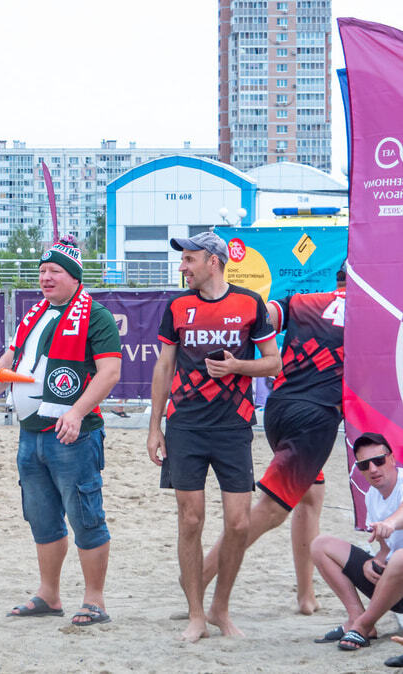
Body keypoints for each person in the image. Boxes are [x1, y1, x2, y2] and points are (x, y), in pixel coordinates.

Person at [0, 236, 122, 627]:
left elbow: (110, 374)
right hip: (31, 433)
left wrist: (76, 411)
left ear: (74, 276)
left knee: (85, 515)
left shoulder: (96, 316)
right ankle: (49, 594)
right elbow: (10, 360)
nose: (46, 278)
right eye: (42, 272)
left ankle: (94, 599)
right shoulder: (34, 313)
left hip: (75, 435)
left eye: (54, 271)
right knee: (41, 517)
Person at [147, 231, 281, 642]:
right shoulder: (177, 305)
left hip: (233, 426)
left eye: (189, 259)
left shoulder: (248, 303)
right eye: (182, 259)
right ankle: (195, 615)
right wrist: (155, 426)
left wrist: (238, 366)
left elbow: (274, 363)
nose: (182, 267)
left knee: (239, 524)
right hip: (185, 424)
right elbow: (164, 367)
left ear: (213, 262)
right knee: (190, 520)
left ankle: (220, 609)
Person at [201, 264, 346, 615]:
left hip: (278, 409)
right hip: (314, 419)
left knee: (311, 497)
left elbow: (257, 316)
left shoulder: (303, 301)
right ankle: (196, 579)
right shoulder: (374, 315)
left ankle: (306, 597)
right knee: (270, 511)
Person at [310, 433, 403, 653]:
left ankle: (363, 626)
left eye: (379, 461)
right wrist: (375, 561)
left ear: (391, 458)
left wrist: (390, 523)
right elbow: (385, 547)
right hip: (390, 581)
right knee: (320, 545)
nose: (373, 469)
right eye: (364, 464)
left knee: (400, 558)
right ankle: (356, 618)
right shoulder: (371, 495)